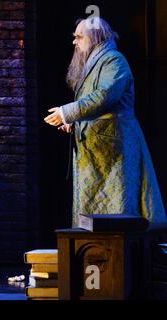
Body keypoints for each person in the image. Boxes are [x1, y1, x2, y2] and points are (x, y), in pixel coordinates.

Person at [44, 17, 166, 226]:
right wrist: (75, 122)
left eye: (79, 37)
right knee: (93, 213)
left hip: (114, 149)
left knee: (116, 210)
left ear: (96, 37)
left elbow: (105, 95)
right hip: (96, 150)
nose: (75, 42)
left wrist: (68, 113)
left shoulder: (114, 60)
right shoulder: (96, 62)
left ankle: (118, 255)